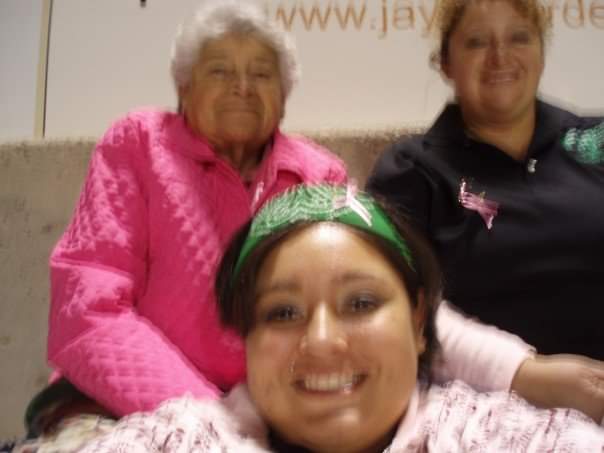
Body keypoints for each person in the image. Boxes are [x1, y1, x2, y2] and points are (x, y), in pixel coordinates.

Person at [19, 1, 600, 450]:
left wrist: (517, 370)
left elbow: (389, 301)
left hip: (281, 413)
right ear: (184, 86)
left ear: (285, 96)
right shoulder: (138, 145)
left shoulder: (318, 174)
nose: (243, 86)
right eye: (221, 70)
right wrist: (210, 424)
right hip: (128, 409)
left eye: (261, 73)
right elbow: (88, 312)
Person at [77, 184, 604, 452]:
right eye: (282, 312)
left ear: (419, 322)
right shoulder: (182, 439)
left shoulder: (499, 437)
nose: (323, 341)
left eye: (361, 303)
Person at [367, 0, 604, 359]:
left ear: (541, 54)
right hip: (486, 388)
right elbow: (391, 308)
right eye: (477, 42)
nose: (500, 57)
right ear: (445, 63)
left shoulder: (596, 141)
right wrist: (527, 375)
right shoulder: (413, 171)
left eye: (519, 38)